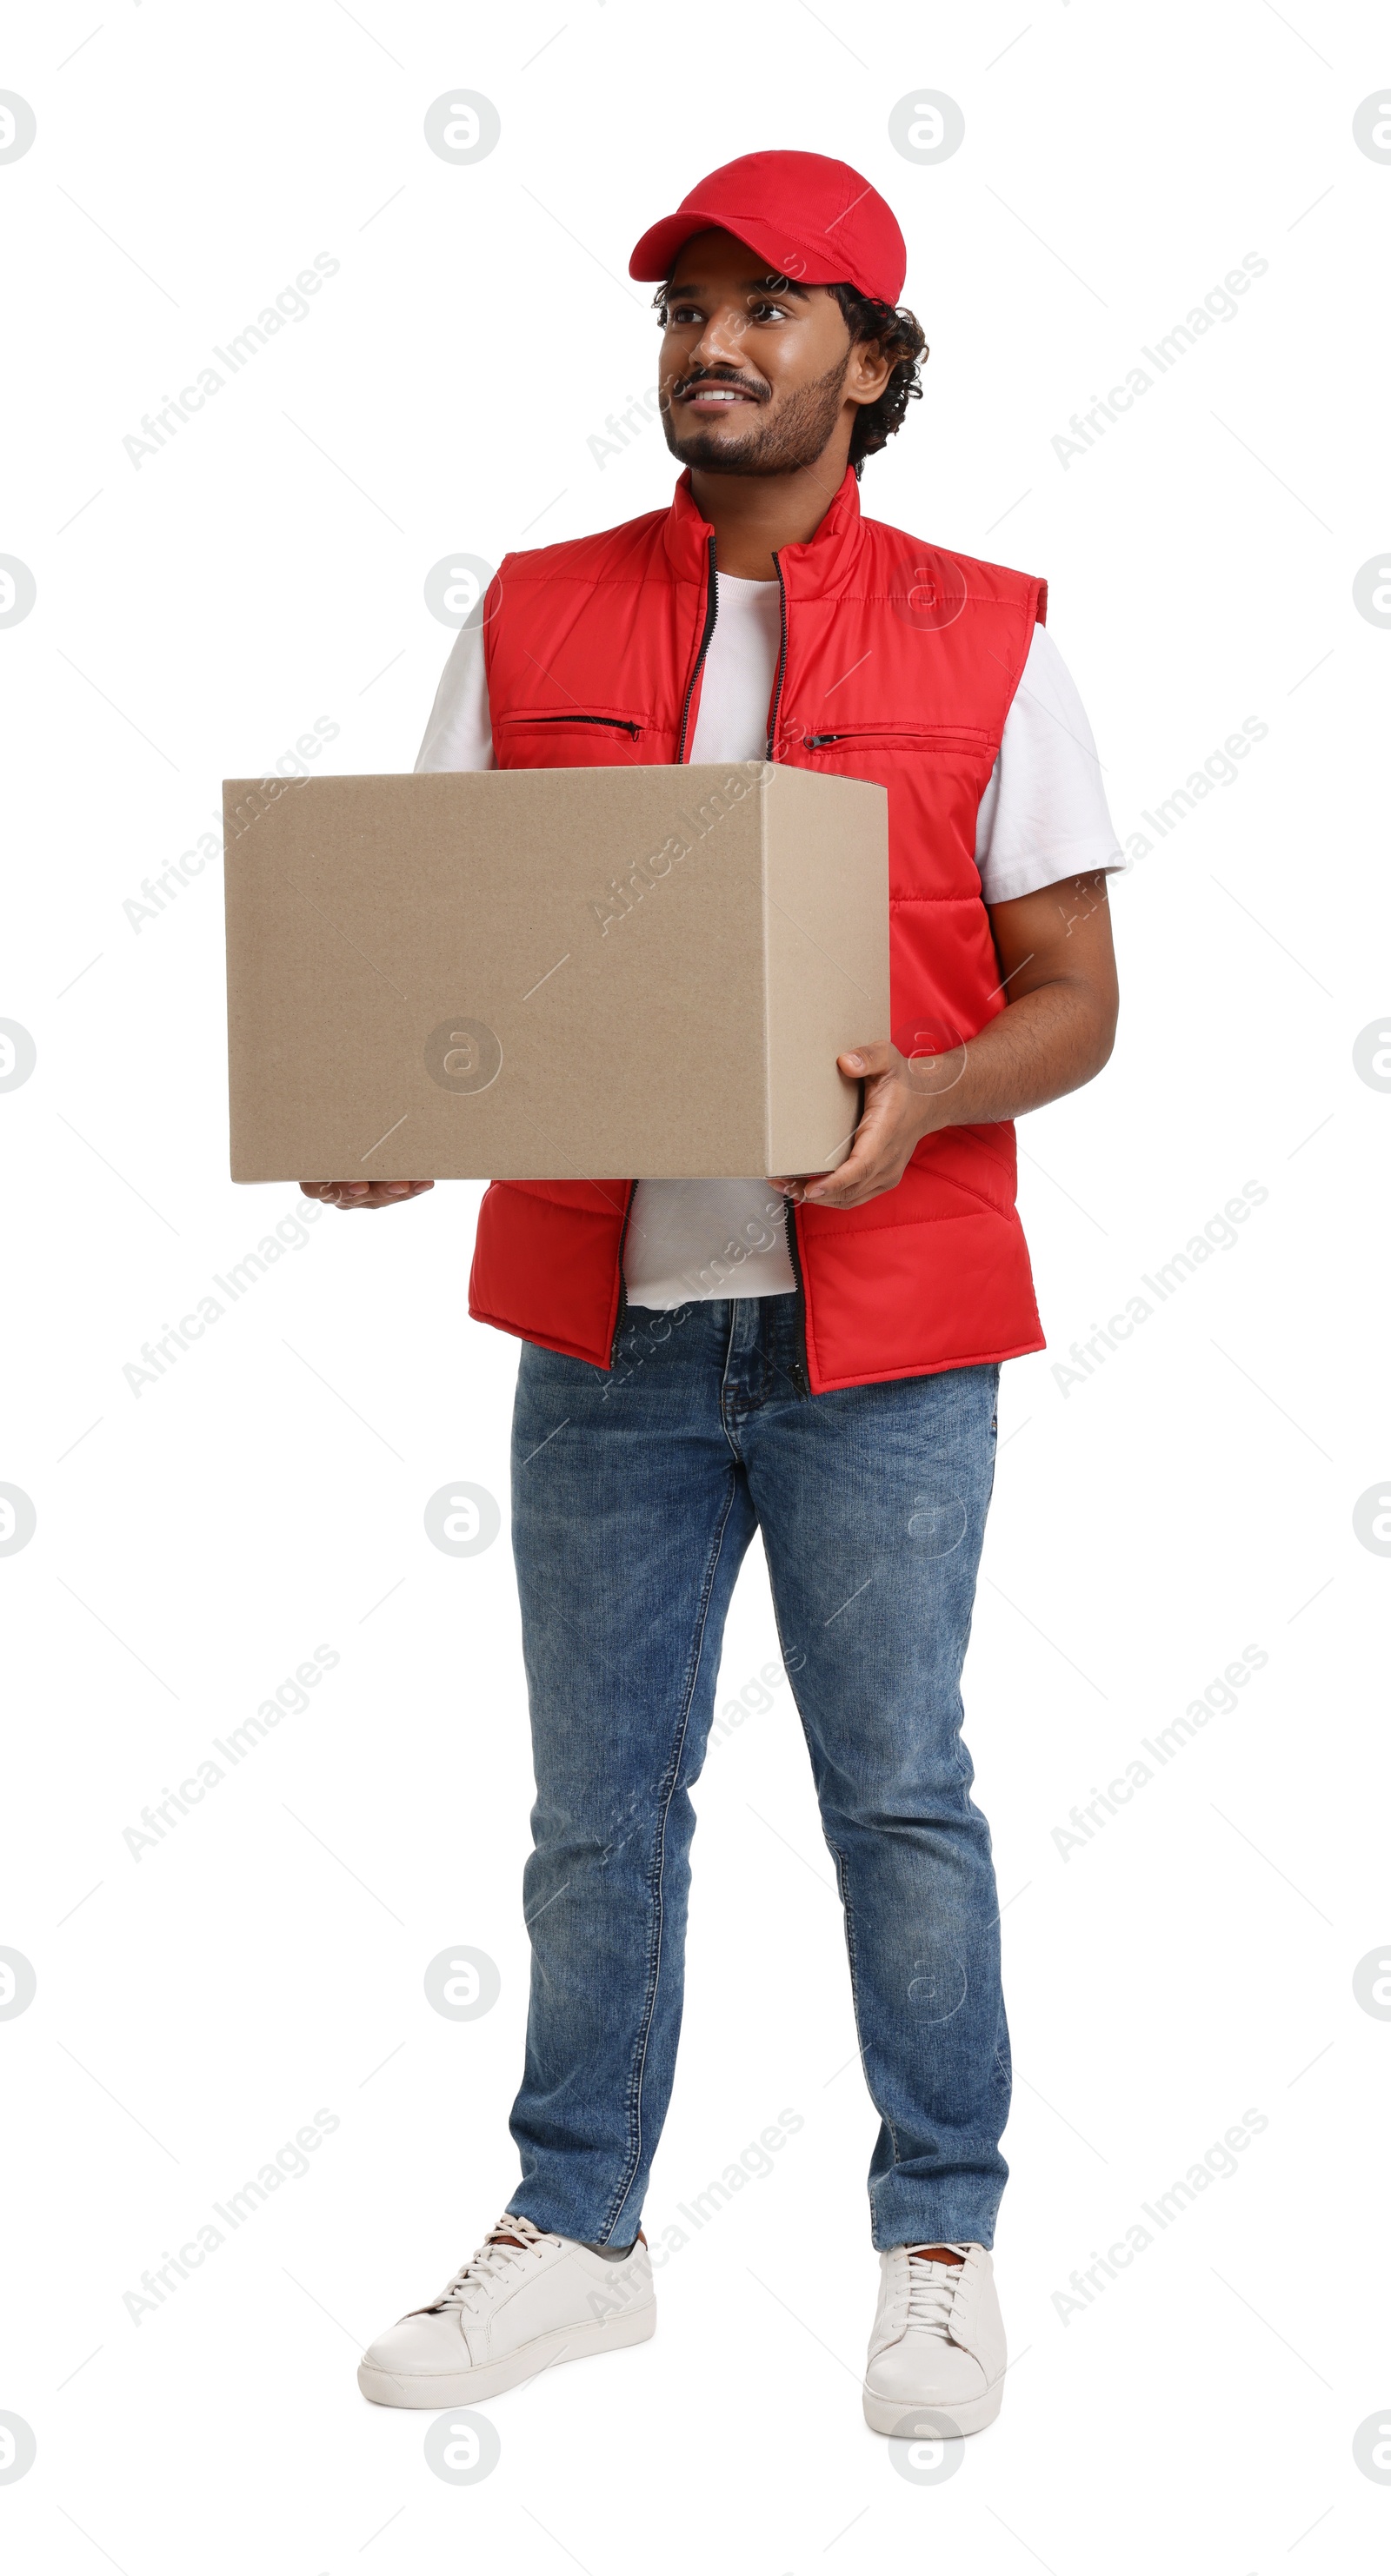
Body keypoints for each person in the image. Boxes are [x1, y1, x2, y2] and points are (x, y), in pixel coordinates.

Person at [303, 149, 1121, 2440]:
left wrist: (933, 1081)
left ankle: (937, 2240)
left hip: (892, 1327)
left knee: (900, 1795)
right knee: (596, 1811)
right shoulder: (538, 616)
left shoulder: (993, 634)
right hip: (612, 1320)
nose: (716, 344)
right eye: (688, 307)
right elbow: (454, 961)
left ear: (870, 361)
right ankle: (579, 2229)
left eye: (771, 310)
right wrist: (392, 1111)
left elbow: (1079, 991)